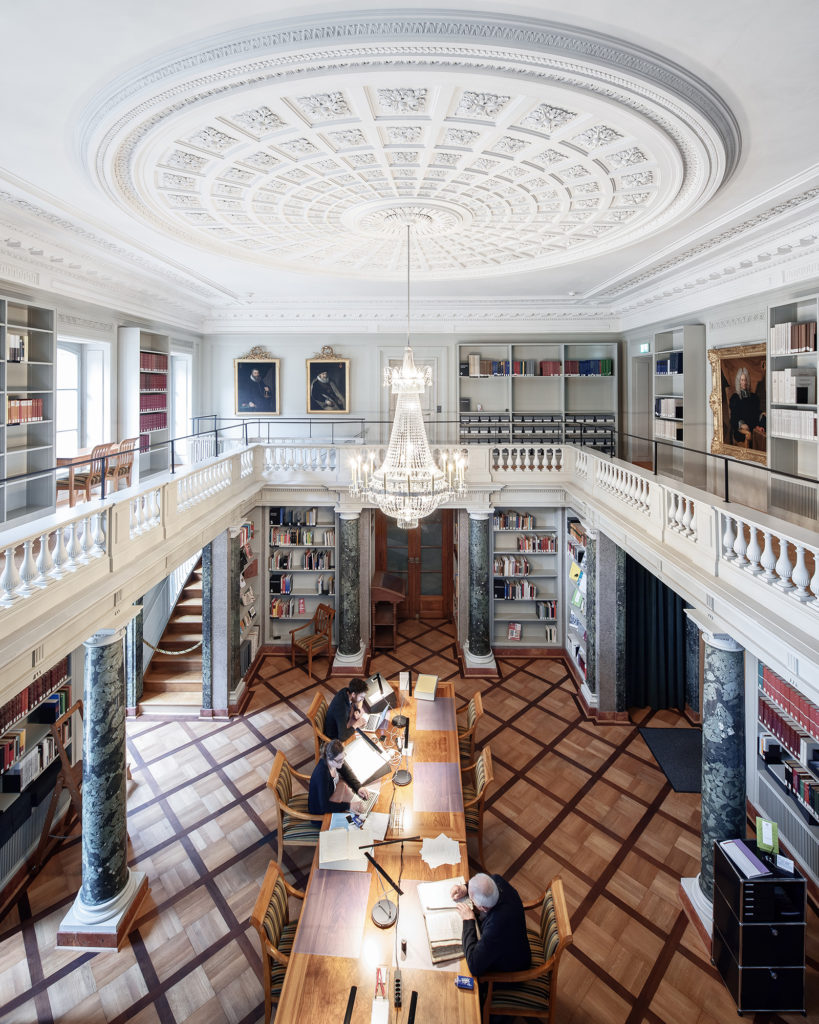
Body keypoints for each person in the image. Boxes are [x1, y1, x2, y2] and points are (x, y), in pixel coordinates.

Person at [451, 873, 531, 978]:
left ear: (483, 908)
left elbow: (474, 966)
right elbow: (484, 884)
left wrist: (468, 920)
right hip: (513, 939)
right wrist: (465, 888)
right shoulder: (497, 881)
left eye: (472, 901)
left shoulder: (496, 927)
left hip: (511, 968)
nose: (471, 902)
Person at [308, 739, 368, 815]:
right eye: (340, 761)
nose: (342, 762)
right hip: (320, 812)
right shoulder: (322, 774)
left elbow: (347, 772)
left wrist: (358, 787)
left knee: (360, 807)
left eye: (343, 758)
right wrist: (349, 806)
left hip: (332, 795)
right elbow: (324, 806)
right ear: (329, 759)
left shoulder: (335, 758)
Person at [729, 366, 766, 448]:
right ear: (739, 381)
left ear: (748, 381)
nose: (744, 382)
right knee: (750, 432)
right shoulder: (735, 398)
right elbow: (733, 418)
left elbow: (755, 412)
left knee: (764, 420)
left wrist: (761, 415)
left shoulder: (754, 397)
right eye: (742, 380)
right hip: (742, 430)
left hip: (753, 425)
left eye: (745, 380)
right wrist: (741, 424)